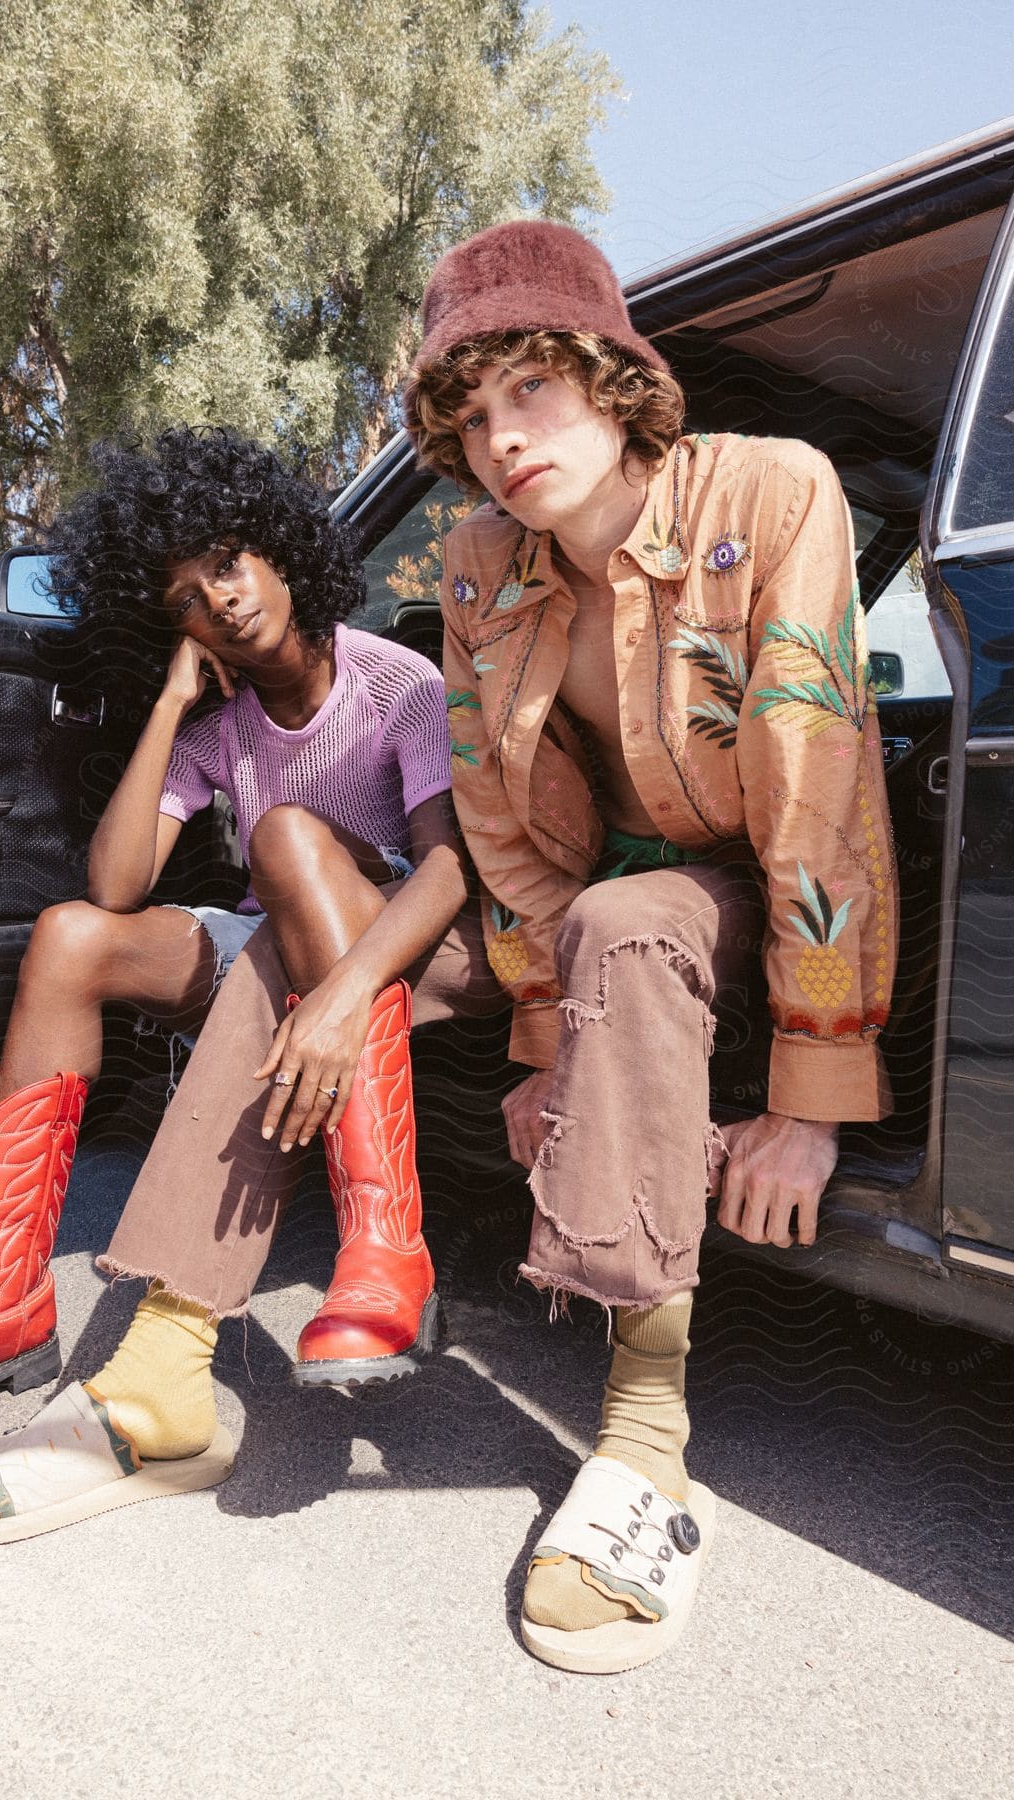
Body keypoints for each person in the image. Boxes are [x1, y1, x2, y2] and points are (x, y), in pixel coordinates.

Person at [400, 219, 897, 1673]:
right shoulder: (481, 566)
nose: (503, 443)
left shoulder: (768, 488)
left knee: (635, 909)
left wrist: (810, 1098)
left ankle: (639, 1446)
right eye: (472, 417)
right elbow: (501, 828)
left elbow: (817, 798)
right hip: (610, 910)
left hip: (755, 886)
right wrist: (550, 1049)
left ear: (614, 381)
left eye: (531, 392)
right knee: (597, 914)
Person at [0, 427, 480, 1520]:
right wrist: (176, 708)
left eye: (226, 561)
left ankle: (381, 1241)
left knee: (280, 838)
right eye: (184, 595)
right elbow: (117, 883)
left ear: (279, 550)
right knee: (69, 934)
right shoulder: (219, 723)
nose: (218, 601)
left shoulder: (396, 684)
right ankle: (0, 1307)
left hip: (405, 940)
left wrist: (336, 995)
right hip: (275, 935)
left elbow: (448, 872)